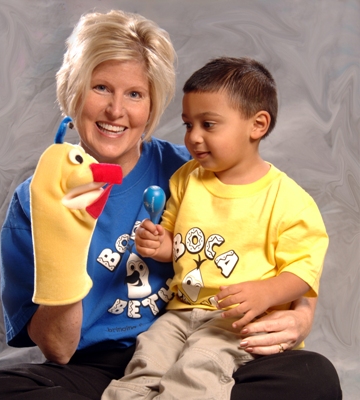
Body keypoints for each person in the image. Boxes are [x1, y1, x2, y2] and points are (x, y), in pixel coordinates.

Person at [0, 10, 341, 400]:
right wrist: (64, 238)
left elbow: (277, 239)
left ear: (152, 105)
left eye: (134, 94)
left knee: (314, 376)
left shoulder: (193, 172)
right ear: (73, 93)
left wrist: (301, 315)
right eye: (100, 88)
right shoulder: (35, 200)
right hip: (97, 366)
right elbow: (58, 349)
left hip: (206, 343)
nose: (116, 110)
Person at [101, 56, 331, 400]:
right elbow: (175, 243)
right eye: (188, 124)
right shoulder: (186, 179)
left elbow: (303, 272)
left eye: (208, 124)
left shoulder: (289, 200)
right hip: (179, 313)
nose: (193, 137)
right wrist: (159, 244)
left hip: (236, 322)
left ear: (257, 125)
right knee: (147, 357)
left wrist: (266, 293)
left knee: (199, 367)